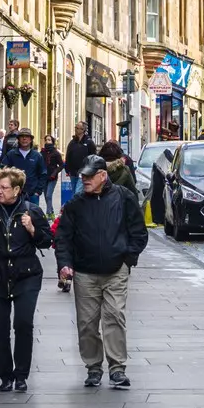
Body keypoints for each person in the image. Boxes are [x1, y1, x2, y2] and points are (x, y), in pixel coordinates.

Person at [54, 158, 148, 389]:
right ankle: (93, 367)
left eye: (89, 176)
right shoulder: (76, 204)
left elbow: (139, 231)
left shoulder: (124, 197)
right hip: (85, 273)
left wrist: (128, 259)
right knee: (87, 323)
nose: (84, 180)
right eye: (83, 176)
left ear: (103, 176)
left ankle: (117, 368)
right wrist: (64, 264)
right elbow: (63, 237)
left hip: (116, 269)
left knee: (115, 317)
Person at [0, 166, 54, 393]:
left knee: (23, 324)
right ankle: (5, 376)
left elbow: (47, 241)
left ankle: (21, 375)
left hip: (25, 274)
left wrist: (32, 230)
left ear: (17, 190)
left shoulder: (32, 212)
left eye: (4, 187)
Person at [3, 130, 49, 204]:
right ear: (18, 139)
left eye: (27, 137)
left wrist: (38, 191)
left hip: (32, 195)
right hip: (15, 194)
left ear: (30, 140)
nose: (24, 139)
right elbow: (4, 171)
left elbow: (43, 174)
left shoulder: (37, 156)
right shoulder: (11, 154)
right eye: (22, 137)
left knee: (32, 215)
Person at [62, 129, 96, 208]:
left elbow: (93, 156)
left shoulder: (89, 142)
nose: (76, 130)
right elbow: (68, 155)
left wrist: (91, 169)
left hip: (84, 172)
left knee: (78, 191)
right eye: (75, 128)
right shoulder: (72, 142)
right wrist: (67, 168)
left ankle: (75, 208)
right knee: (74, 191)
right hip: (73, 171)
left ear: (83, 130)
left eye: (78, 128)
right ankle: (78, 208)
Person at [38, 138, 64, 213]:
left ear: (52, 142)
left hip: (52, 177)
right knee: (46, 196)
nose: (47, 141)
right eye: (46, 140)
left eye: (49, 140)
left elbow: (61, 165)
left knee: (48, 195)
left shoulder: (56, 153)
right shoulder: (42, 152)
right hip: (44, 176)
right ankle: (51, 212)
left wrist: (55, 172)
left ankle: (48, 214)